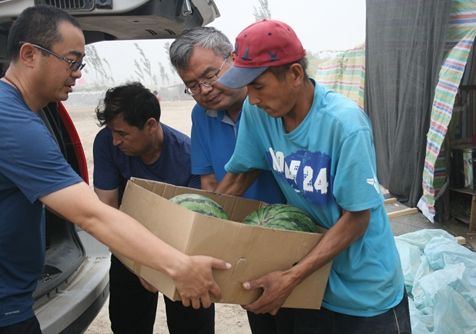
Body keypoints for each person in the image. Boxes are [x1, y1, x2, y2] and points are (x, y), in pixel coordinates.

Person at [0, 6, 230, 334]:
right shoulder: (12, 121)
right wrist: (179, 267)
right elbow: (93, 215)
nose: (79, 72)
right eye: (72, 60)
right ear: (29, 54)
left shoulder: (23, 114)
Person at [215, 19, 411, 334]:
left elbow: (357, 218)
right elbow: (240, 176)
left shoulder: (345, 125)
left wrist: (290, 278)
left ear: (294, 74)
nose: (251, 99)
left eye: (259, 86)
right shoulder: (259, 113)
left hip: (365, 293)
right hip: (312, 288)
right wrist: (196, 233)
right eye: (247, 87)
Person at [169, 27, 286, 333]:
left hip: (292, 246)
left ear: (233, 59)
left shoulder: (270, 106)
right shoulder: (201, 116)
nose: (204, 89)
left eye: (210, 75)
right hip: (246, 250)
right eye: (192, 85)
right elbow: (209, 187)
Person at [93, 82, 215, 334]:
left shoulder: (189, 157)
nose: (115, 141)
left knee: (192, 327)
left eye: (123, 134)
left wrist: (163, 264)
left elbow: (198, 225)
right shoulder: (106, 142)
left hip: (181, 251)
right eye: (112, 132)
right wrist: (141, 263)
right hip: (127, 244)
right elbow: (107, 212)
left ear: (150, 125)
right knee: (128, 325)